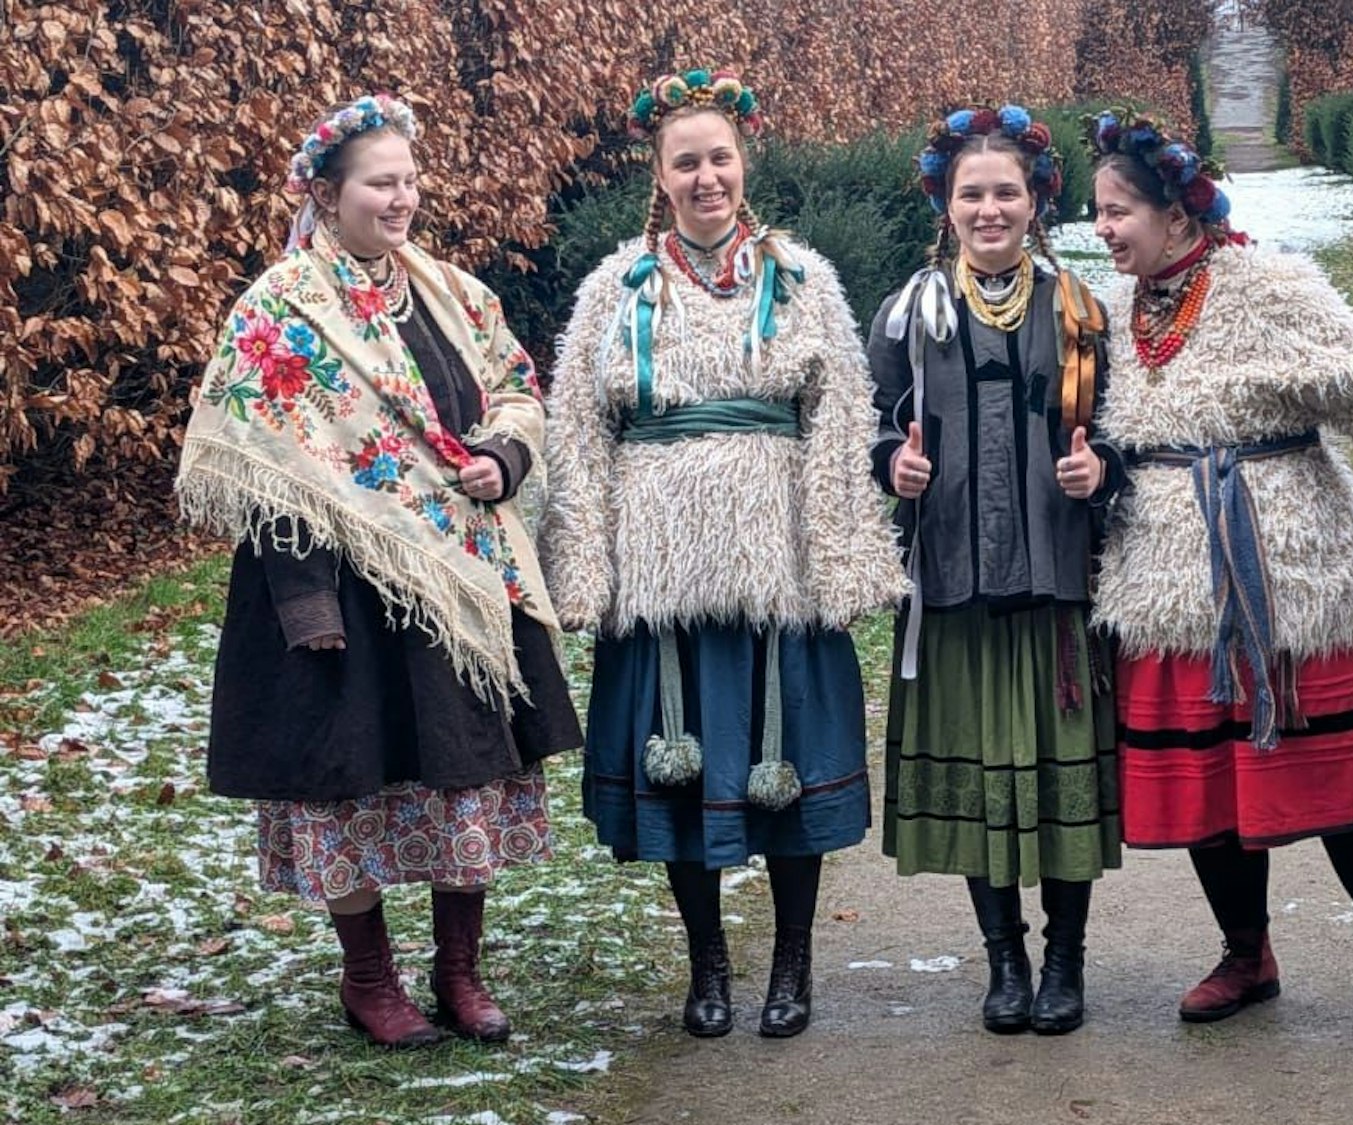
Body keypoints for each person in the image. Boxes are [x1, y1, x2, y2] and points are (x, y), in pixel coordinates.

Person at [177, 94, 582, 1049]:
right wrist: (307, 602)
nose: (400, 199)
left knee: (464, 771)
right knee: (346, 781)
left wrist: (503, 458)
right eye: (379, 182)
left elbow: (520, 387)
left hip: (458, 578)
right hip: (345, 585)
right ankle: (369, 979)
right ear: (327, 191)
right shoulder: (281, 308)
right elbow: (263, 459)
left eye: (408, 180)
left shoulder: (454, 291)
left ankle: (459, 973)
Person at [538, 68, 904, 1040]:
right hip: (663, 572)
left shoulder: (802, 279)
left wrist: (840, 557)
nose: (706, 178)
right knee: (679, 772)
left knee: (789, 774)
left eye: (720, 159)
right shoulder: (615, 290)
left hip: (773, 565)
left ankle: (792, 966)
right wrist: (586, 567)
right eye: (685, 162)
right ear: (659, 177)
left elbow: (839, 420)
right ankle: (706, 967)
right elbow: (575, 430)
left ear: (745, 164)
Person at [1086, 110, 1353, 1045]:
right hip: (1167, 587)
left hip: (1285, 578)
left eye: (1119, 210)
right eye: (1098, 213)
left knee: (1345, 784)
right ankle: (1246, 951)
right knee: (1210, 785)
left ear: (1175, 211)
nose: (1104, 229)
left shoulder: (1272, 286)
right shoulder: (1109, 316)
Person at [868, 105, 1121, 1036]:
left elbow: (1124, 430)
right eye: (970, 192)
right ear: (945, 200)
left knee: (1059, 780)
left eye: (1005, 191)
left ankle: (1066, 960)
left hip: (1057, 583)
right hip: (956, 584)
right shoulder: (911, 310)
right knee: (984, 778)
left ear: (1035, 200)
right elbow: (871, 420)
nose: (988, 208)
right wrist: (890, 463)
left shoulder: (1081, 308)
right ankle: (1004, 960)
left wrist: (1102, 472)